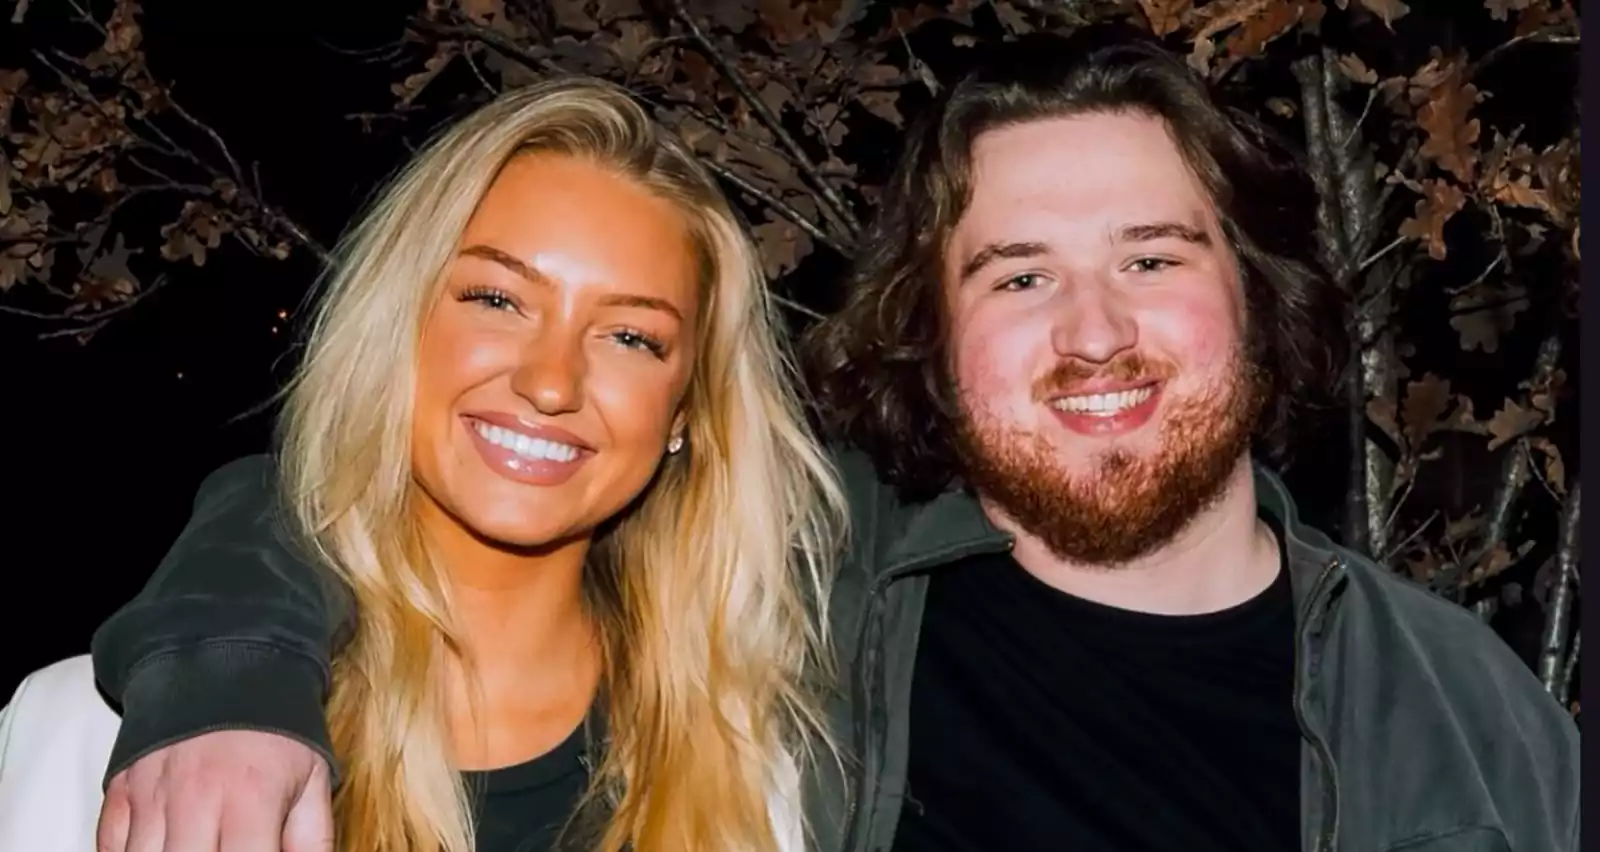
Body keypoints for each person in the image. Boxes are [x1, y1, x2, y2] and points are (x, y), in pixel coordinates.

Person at [55, 24, 1578, 852]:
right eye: (1018, 275)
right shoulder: (820, 593)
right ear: (934, 327)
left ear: (1257, 290)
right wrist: (228, 688)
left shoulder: (1471, 715)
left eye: (1152, 257)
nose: (1094, 331)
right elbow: (371, 492)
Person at [0, 76, 850, 852]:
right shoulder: (110, 748)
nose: (551, 383)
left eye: (631, 336)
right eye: (498, 299)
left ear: (686, 411)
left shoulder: (770, 774)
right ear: (397, 325)